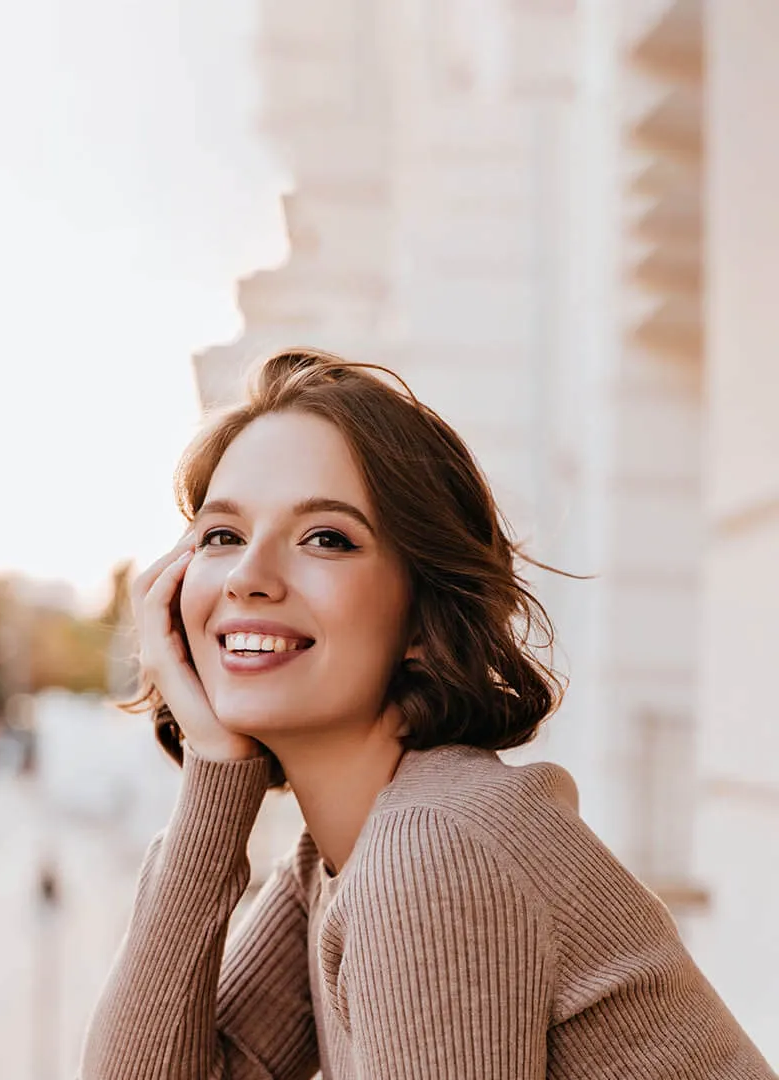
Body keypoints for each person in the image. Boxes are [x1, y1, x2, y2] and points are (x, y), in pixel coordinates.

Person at [81, 350, 775, 1079]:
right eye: (222, 536)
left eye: (327, 538)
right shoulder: (338, 860)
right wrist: (215, 769)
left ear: (422, 616)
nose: (249, 577)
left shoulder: (431, 850)